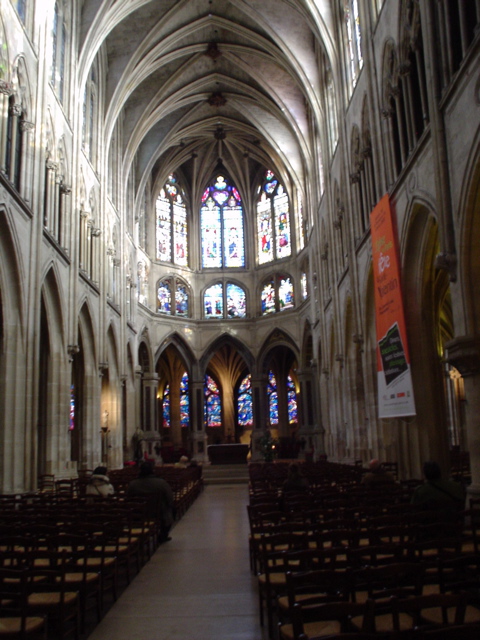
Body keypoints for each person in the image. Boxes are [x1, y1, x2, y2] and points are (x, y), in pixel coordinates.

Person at [127, 460, 175, 542]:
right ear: (153, 470)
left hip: (139, 513)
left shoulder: (133, 484)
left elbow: (128, 498)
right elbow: (170, 498)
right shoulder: (161, 483)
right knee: (169, 511)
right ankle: (163, 535)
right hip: (158, 512)